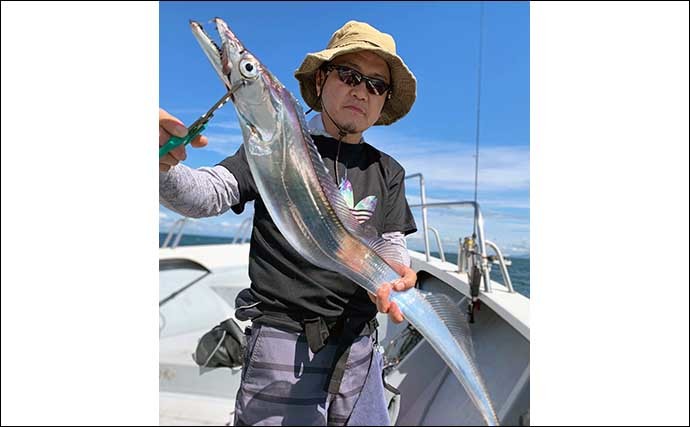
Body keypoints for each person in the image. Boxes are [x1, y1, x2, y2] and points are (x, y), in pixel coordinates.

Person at [160, 20, 418, 426]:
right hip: (284, 344)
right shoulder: (273, 145)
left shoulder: (387, 170)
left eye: (375, 85)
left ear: (383, 100)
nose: (361, 90)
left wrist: (395, 276)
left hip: (361, 347)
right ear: (321, 80)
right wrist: (161, 169)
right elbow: (207, 193)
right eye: (350, 75)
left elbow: (390, 244)